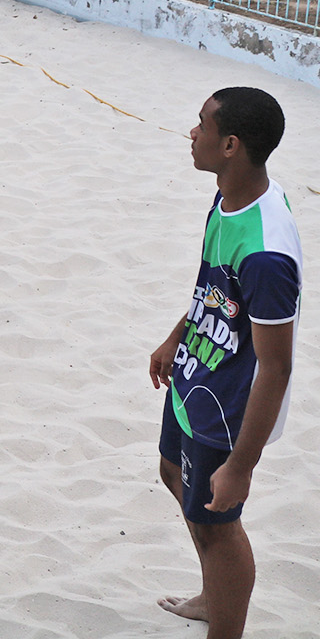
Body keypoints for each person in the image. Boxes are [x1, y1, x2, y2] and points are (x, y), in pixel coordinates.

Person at [149, 86, 301, 639]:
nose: (192, 134)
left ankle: (224, 623)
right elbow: (214, 285)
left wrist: (241, 464)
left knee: (218, 524)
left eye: (202, 125)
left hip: (229, 405)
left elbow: (276, 369)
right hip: (197, 370)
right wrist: (178, 335)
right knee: (171, 471)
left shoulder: (266, 253)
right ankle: (215, 597)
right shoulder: (227, 198)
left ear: (231, 144)